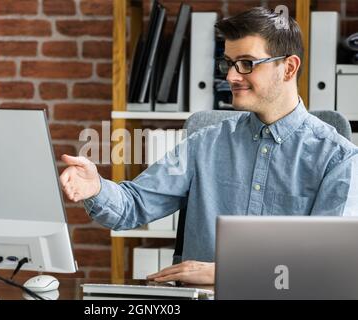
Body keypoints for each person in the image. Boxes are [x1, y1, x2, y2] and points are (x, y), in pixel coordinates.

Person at [59, 7, 358, 285]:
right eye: (228, 64)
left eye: (246, 64)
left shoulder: (337, 158)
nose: (230, 76)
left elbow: (326, 265)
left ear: (289, 68)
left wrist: (229, 272)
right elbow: (133, 206)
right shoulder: (206, 142)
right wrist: (96, 187)